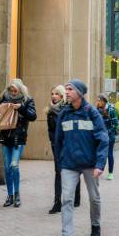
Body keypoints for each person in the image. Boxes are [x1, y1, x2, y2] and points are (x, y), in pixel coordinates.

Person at [52, 79, 109, 236]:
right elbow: (58, 140)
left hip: (90, 164)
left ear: (80, 93)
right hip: (69, 164)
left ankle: (96, 225)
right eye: (66, 89)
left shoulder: (92, 113)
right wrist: (60, 162)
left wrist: (99, 164)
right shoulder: (64, 113)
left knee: (94, 197)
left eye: (70, 89)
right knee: (67, 199)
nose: (66, 92)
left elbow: (103, 139)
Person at [0, 79, 37, 208]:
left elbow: (33, 116)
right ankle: (9, 196)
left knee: (14, 165)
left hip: (18, 138)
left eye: (16, 90)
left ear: (21, 90)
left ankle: (17, 194)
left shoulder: (27, 100)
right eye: (11, 90)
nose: (13, 92)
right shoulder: (4, 98)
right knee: (7, 168)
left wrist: (21, 108)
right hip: (5, 138)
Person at [46, 85, 81, 214]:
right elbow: (50, 129)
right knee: (58, 171)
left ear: (62, 96)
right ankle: (57, 202)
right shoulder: (50, 110)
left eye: (56, 94)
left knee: (74, 168)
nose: (53, 96)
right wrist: (53, 140)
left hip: (68, 144)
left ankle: (76, 196)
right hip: (56, 144)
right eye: (52, 93)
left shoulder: (68, 109)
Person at [96, 94, 119, 180]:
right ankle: (99, 170)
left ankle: (110, 173)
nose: (97, 102)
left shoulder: (111, 110)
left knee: (109, 154)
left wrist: (107, 132)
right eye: (97, 100)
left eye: (99, 100)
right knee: (100, 154)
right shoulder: (96, 110)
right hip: (100, 136)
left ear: (103, 101)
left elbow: (116, 124)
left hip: (109, 136)